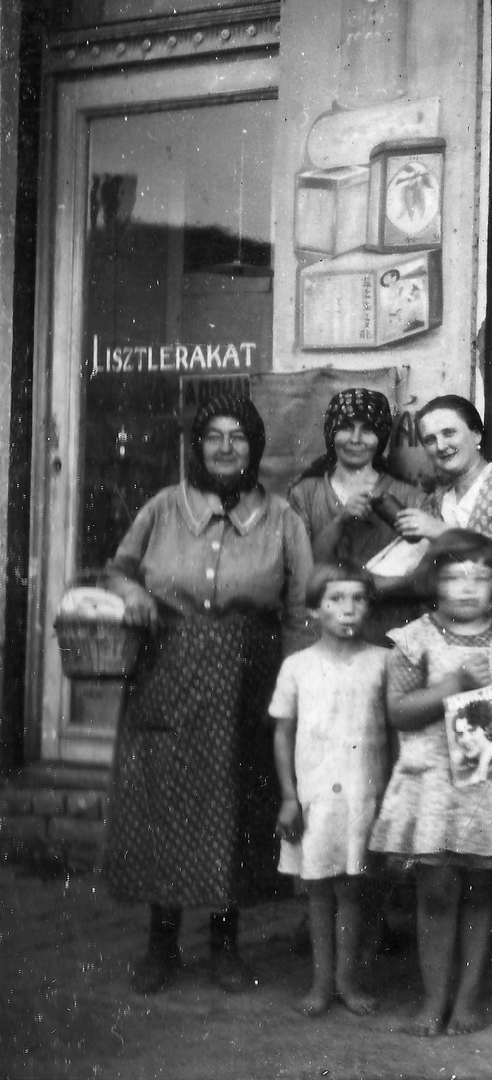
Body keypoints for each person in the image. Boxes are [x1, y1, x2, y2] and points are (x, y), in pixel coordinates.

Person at [102, 394, 315, 994]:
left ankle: (226, 944)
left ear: (254, 447)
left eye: (238, 437)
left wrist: (293, 684)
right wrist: (133, 594)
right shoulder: (164, 508)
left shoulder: (281, 519)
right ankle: (160, 943)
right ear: (197, 447)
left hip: (250, 672)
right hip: (165, 668)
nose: (225, 448)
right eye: (213, 437)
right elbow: (119, 568)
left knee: (237, 808)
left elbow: (301, 608)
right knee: (164, 802)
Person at [366, 529, 492, 1036]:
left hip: (487, 779)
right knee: (435, 889)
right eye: (455, 577)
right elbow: (399, 712)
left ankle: (470, 996)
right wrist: (453, 684)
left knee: (480, 889)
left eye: (481, 577)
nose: (469, 588)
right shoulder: (414, 638)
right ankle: (434, 997)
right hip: (431, 780)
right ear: (433, 581)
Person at [270, 563, 389, 1017]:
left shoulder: (382, 661)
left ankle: (348, 980)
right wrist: (287, 795)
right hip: (315, 796)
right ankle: (320, 983)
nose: (348, 609)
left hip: (363, 793)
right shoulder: (298, 666)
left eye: (358, 599)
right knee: (318, 888)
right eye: (336, 599)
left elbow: (393, 732)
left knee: (354, 888)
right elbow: (283, 733)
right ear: (315, 609)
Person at [286, 388, 426, 641]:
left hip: (389, 636)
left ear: (381, 436)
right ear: (331, 432)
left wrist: (368, 585)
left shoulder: (410, 497)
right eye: (347, 427)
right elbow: (302, 572)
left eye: (368, 430)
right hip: (324, 638)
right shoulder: (304, 494)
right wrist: (341, 521)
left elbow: (424, 575)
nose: (356, 438)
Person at [392, 395, 492, 622]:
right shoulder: (436, 500)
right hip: (447, 632)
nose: (440, 446)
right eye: (430, 440)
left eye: (449, 433)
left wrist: (440, 531)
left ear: (477, 434)